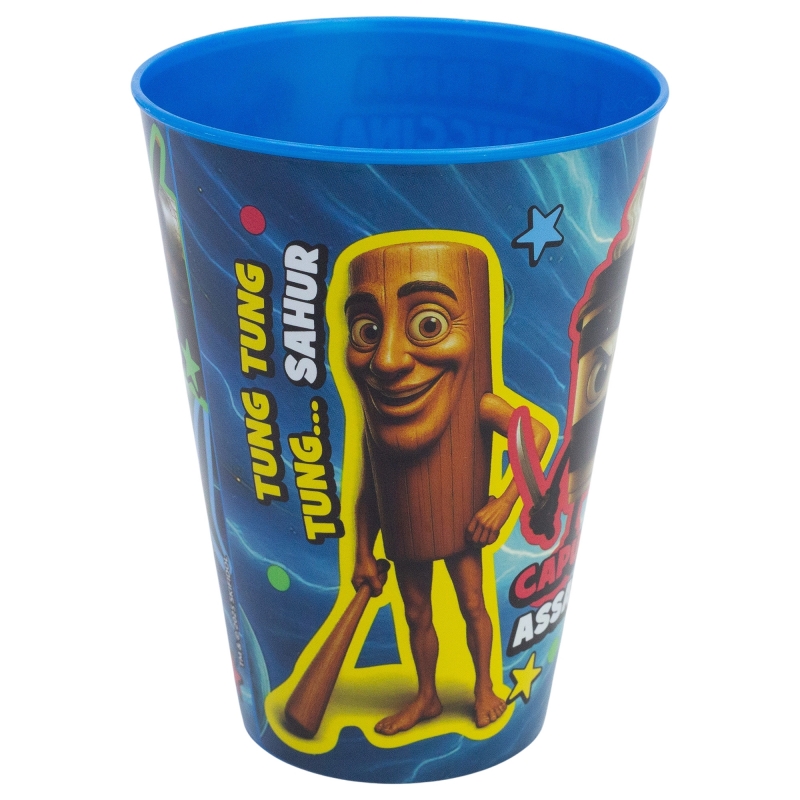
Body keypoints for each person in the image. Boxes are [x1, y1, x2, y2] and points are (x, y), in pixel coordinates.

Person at [344, 239, 550, 734]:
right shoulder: (380, 422)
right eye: (367, 331)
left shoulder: (478, 402)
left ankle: (484, 688)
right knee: (416, 613)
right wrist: (363, 552)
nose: (386, 360)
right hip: (405, 527)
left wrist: (503, 503)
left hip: (462, 524)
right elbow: (371, 485)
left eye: (429, 324)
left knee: (472, 606)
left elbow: (536, 434)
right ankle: (427, 697)